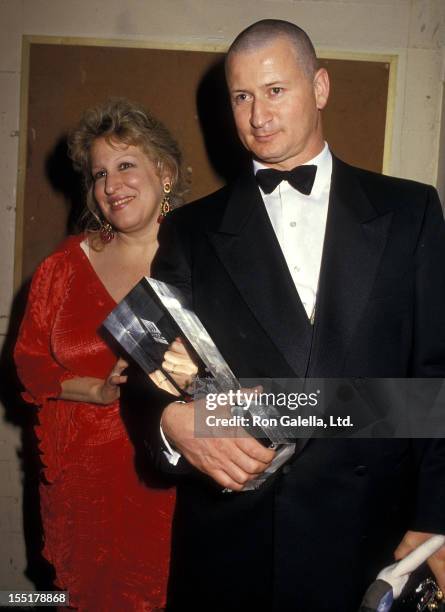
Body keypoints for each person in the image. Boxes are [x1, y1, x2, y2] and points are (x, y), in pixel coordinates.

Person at [147, 20, 445, 612]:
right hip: (236, 543)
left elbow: (435, 375)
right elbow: (154, 365)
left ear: (322, 87)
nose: (258, 115)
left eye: (276, 90)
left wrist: (437, 516)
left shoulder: (411, 211)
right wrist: (172, 424)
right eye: (241, 96)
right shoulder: (190, 230)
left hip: (377, 538)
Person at [14, 98, 196, 611]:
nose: (111, 184)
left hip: (171, 487)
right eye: (99, 174)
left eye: (125, 165)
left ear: (164, 172)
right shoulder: (62, 268)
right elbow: (30, 362)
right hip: (82, 493)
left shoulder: (203, 260)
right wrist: (93, 389)